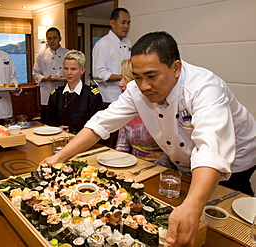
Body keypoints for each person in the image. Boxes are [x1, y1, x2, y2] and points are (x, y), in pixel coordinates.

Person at [40, 31, 256, 246]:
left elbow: (211, 150)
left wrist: (192, 207)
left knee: (229, 220)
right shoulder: (137, 89)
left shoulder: (205, 87)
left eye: (152, 76)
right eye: (137, 76)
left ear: (176, 68)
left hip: (237, 157)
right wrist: (60, 157)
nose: (144, 86)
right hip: (186, 162)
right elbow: (101, 123)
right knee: (185, 217)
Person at [116, 60, 173, 168]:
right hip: (133, 167)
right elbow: (122, 146)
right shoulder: (125, 109)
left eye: (125, 78)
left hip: (161, 168)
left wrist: (149, 169)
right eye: (120, 78)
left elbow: (171, 152)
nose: (120, 84)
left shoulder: (161, 107)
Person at [46, 50, 103, 134]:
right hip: (58, 138)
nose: (69, 73)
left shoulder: (92, 96)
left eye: (73, 69)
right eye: (66, 68)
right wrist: (57, 128)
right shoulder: (56, 94)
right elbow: (48, 120)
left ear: (82, 70)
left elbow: (97, 125)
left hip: (83, 141)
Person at [92, 7, 131, 105]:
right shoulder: (103, 43)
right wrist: (122, 77)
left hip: (127, 96)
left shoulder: (128, 42)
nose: (126, 26)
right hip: (109, 98)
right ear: (112, 23)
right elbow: (98, 73)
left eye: (128, 23)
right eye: (123, 22)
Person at [33, 27, 69, 123]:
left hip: (64, 92)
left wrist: (67, 78)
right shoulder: (41, 55)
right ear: (46, 40)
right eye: (49, 38)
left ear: (60, 38)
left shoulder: (68, 54)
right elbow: (35, 73)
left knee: (63, 121)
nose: (52, 41)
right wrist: (44, 78)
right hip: (47, 93)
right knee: (47, 122)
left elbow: (74, 73)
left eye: (54, 38)